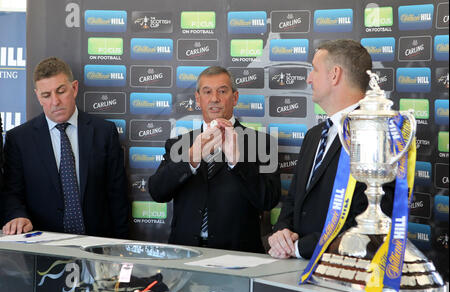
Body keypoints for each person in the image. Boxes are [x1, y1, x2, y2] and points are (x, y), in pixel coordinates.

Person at [268, 39, 394, 259]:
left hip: (344, 275)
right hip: (293, 272)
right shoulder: (314, 136)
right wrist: (281, 234)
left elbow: (371, 219)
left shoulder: (378, 133)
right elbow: (293, 201)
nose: (308, 79)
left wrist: (299, 248)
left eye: (315, 70)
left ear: (334, 74)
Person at [149, 66, 280, 253]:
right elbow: (157, 192)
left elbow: (269, 200)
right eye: (207, 92)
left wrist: (237, 162)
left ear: (234, 98)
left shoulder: (263, 143)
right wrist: (191, 159)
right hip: (185, 254)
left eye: (222, 91)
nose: (214, 99)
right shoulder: (179, 144)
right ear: (197, 98)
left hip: (238, 256)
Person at [1, 57, 130, 238]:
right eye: (46, 95)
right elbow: (12, 193)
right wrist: (17, 216)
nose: (55, 101)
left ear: (74, 88)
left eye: (61, 91)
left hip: (96, 249)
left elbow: (118, 198)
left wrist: (119, 250)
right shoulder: (19, 139)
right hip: (42, 251)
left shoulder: (104, 132)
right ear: (38, 96)